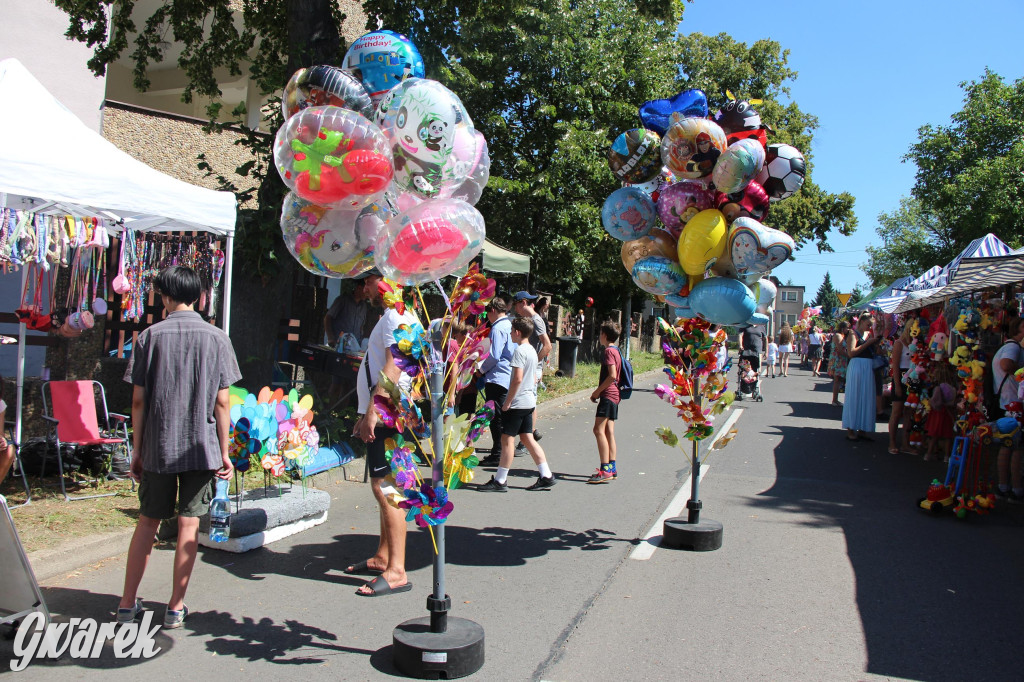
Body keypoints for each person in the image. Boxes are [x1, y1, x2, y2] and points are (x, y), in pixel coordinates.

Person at [117, 265, 241, 628]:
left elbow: (138, 401)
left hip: (158, 446)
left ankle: (126, 603)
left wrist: (137, 450)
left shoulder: (149, 337)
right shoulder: (218, 338)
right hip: (201, 448)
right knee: (189, 526)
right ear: (199, 297)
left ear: (167, 297)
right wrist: (224, 451)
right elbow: (222, 403)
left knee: (147, 523)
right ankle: (175, 607)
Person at [349, 280, 419, 596]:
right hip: (391, 410)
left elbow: (393, 368)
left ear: (384, 282)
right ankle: (383, 557)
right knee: (384, 486)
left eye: (368, 280)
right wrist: (365, 411)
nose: (364, 286)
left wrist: (373, 413)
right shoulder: (402, 313)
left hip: (389, 413)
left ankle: (396, 570)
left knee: (388, 487)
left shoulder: (394, 315)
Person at [478, 317, 556, 492]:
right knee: (527, 438)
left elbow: (517, 379)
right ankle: (546, 475)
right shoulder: (531, 351)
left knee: (507, 440)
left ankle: (500, 480)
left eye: (512, 331)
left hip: (518, 403)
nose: (510, 333)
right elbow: (534, 376)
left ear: (518, 332)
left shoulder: (519, 351)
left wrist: (508, 402)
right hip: (528, 401)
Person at [324, 270, 383, 404]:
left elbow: (362, 326)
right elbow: (327, 318)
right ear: (358, 288)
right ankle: (329, 407)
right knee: (337, 380)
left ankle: (342, 410)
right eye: (364, 287)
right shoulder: (342, 300)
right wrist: (331, 338)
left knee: (351, 383)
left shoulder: (363, 306)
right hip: (340, 346)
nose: (366, 291)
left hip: (354, 350)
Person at [478, 297, 516, 466]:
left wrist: (480, 370)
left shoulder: (497, 328)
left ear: (493, 310)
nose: (487, 316)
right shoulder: (509, 325)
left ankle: (498, 453)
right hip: (508, 375)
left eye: (487, 312)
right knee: (502, 415)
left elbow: (494, 355)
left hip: (497, 377)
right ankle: (500, 451)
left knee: (495, 417)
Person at [992, 316, 1024, 500]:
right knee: (1014, 447)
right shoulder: (1013, 347)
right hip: (1013, 405)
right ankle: (1013, 488)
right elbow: (1006, 365)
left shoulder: (1007, 346)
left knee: (1009, 445)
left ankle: (1005, 486)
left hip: (1008, 403)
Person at [513, 291, 551, 446]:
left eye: (516, 304)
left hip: (533, 367)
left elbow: (547, 345)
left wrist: (535, 364)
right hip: (528, 365)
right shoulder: (527, 319)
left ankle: (526, 442)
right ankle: (531, 433)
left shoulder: (536, 320)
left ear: (522, 302)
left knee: (530, 402)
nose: (514, 307)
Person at [588, 321, 623, 483]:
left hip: (608, 395)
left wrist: (597, 392)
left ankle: (604, 470)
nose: (599, 336)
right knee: (609, 431)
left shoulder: (609, 351)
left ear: (604, 335)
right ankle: (612, 467)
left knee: (598, 430)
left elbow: (612, 375)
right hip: (615, 395)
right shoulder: (616, 350)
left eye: (600, 333)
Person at [843, 313, 881, 441]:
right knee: (854, 396)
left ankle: (863, 429)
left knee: (867, 397)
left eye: (871, 325)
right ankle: (850, 428)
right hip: (857, 366)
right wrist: (867, 343)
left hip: (868, 367)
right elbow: (851, 353)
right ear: (861, 322)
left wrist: (876, 345)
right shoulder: (853, 334)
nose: (870, 327)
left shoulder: (869, 335)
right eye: (868, 324)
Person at [887, 321, 914, 454]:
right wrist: (897, 385)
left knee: (909, 413)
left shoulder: (915, 344)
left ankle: (905, 443)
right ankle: (892, 443)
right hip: (900, 378)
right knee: (896, 412)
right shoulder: (899, 343)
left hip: (912, 379)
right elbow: (895, 366)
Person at [924, 362, 957, 462]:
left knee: (934, 435)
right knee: (948, 435)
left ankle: (929, 454)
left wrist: (929, 402)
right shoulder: (952, 388)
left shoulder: (938, 388)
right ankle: (947, 456)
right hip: (948, 413)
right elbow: (953, 401)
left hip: (937, 413)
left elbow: (935, 402)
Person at [736, 323, 765, 399]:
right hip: (746, 351)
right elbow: (740, 335)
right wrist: (741, 345)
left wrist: (766, 351)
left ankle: (755, 388)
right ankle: (741, 389)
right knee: (743, 369)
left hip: (756, 352)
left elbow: (765, 339)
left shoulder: (761, 326)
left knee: (756, 369)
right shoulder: (745, 325)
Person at [829, 321, 850, 406]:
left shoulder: (842, 336)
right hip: (838, 360)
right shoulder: (838, 336)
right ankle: (835, 400)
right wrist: (849, 355)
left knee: (838, 380)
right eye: (847, 328)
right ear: (843, 328)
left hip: (840, 359)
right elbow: (840, 350)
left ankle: (836, 399)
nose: (848, 330)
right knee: (837, 380)